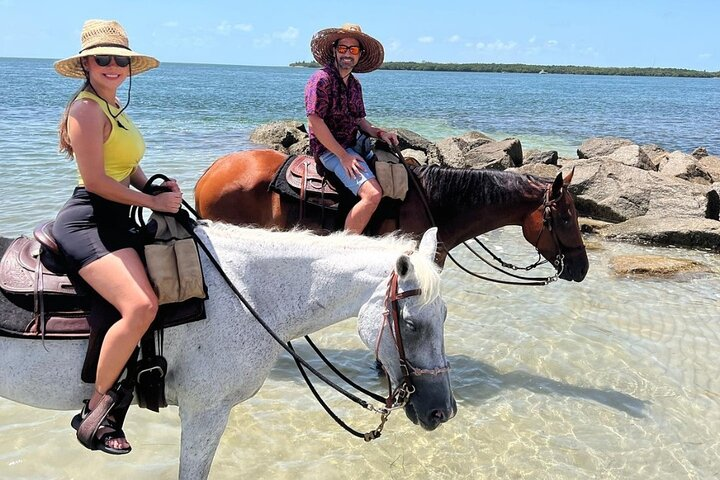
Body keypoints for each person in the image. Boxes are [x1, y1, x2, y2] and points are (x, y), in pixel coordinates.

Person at [52, 19, 182, 455]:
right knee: (141, 304)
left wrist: (156, 191)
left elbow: (127, 170)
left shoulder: (113, 109)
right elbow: (95, 182)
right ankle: (95, 407)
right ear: (87, 63)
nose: (112, 66)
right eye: (103, 59)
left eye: (119, 60)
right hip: (87, 220)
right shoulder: (86, 110)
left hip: (119, 218)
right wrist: (151, 205)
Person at [305, 24, 400, 234]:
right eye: (343, 48)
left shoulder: (355, 85)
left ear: (359, 55)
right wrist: (342, 156)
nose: (347, 53)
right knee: (373, 194)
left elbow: (361, 121)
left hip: (353, 145)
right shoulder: (321, 80)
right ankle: (345, 249)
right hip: (330, 151)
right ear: (334, 51)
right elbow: (315, 121)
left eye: (353, 49)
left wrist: (381, 133)